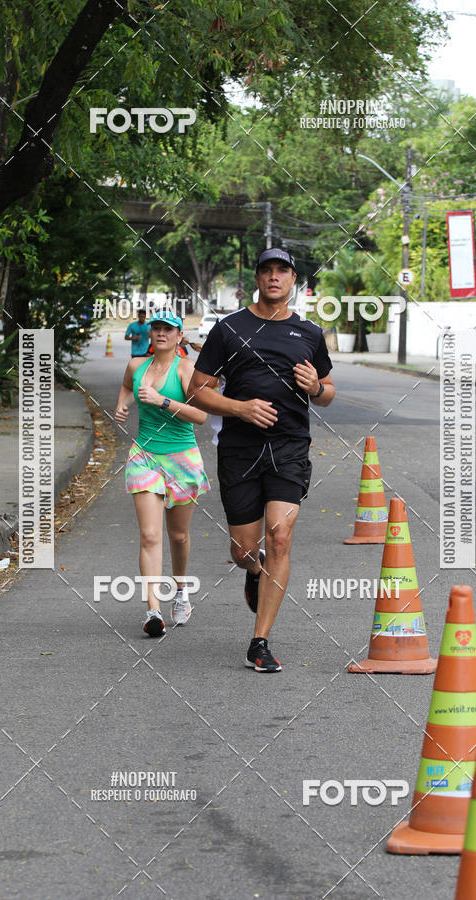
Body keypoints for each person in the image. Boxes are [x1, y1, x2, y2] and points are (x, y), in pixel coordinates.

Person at [188, 248, 335, 672]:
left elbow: (328, 391)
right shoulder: (230, 329)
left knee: (281, 537)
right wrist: (238, 408)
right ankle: (253, 572)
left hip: (289, 447)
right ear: (256, 278)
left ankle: (260, 640)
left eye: (282, 271)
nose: (274, 277)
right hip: (240, 450)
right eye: (267, 270)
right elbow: (198, 390)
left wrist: (314, 387)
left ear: (293, 281)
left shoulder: (309, 332)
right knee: (243, 550)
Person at [115, 310, 210, 636]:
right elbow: (127, 386)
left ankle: (181, 590)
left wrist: (162, 400)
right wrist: (122, 404)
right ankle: (153, 611)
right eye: (156, 328)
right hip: (144, 456)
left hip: (182, 458)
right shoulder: (136, 365)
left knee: (178, 535)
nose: (160, 333)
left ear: (179, 335)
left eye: (168, 329)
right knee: (150, 535)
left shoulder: (186, 369)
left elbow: (200, 416)